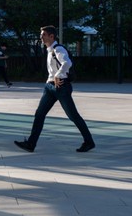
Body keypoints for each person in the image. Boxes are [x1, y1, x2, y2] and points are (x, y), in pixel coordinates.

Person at [14, 25, 95, 153]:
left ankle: (89, 142)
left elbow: (67, 63)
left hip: (61, 87)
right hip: (50, 87)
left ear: (51, 36)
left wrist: (57, 75)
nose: (41, 37)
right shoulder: (49, 50)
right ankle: (31, 144)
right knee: (39, 114)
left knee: (73, 116)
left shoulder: (59, 49)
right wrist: (50, 80)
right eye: (41, 34)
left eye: (43, 35)